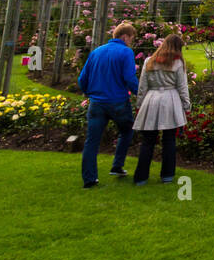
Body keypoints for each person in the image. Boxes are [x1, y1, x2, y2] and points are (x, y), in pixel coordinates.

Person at [76, 22, 139, 188]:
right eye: (131, 38)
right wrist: (141, 92)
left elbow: (82, 79)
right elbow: (129, 78)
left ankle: (89, 179)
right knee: (126, 131)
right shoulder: (126, 52)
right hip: (118, 102)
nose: (131, 41)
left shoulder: (96, 52)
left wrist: (89, 92)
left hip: (97, 103)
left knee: (92, 141)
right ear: (125, 36)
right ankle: (117, 165)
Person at [132, 33, 190, 185]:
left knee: (148, 141)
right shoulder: (177, 63)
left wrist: (139, 105)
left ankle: (141, 177)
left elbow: (142, 86)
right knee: (169, 140)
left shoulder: (149, 62)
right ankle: (167, 175)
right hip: (170, 100)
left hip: (151, 99)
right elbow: (182, 87)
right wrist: (186, 107)